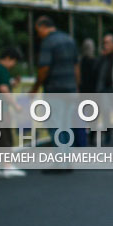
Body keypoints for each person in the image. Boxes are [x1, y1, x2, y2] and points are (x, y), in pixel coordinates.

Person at [31, 16, 79, 156]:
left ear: (42, 27)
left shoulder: (48, 42)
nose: (38, 34)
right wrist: (76, 86)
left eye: (38, 31)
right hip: (70, 89)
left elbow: (44, 68)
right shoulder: (69, 39)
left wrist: (35, 87)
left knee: (55, 124)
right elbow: (76, 66)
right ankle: (67, 158)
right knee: (66, 125)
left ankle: (60, 160)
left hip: (54, 89)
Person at [0, 47, 25, 178]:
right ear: (8, 58)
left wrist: (12, 84)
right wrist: (15, 105)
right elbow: (3, 89)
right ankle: (7, 165)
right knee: (4, 136)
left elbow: (0, 86)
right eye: (14, 61)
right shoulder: (3, 70)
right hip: (0, 107)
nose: (14, 65)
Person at [94, 33, 113, 147]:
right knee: (105, 112)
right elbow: (95, 70)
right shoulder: (103, 57)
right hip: (104, 89)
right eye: (104, 43)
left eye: (108, 43)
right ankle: (108, 136)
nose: (106, 45)